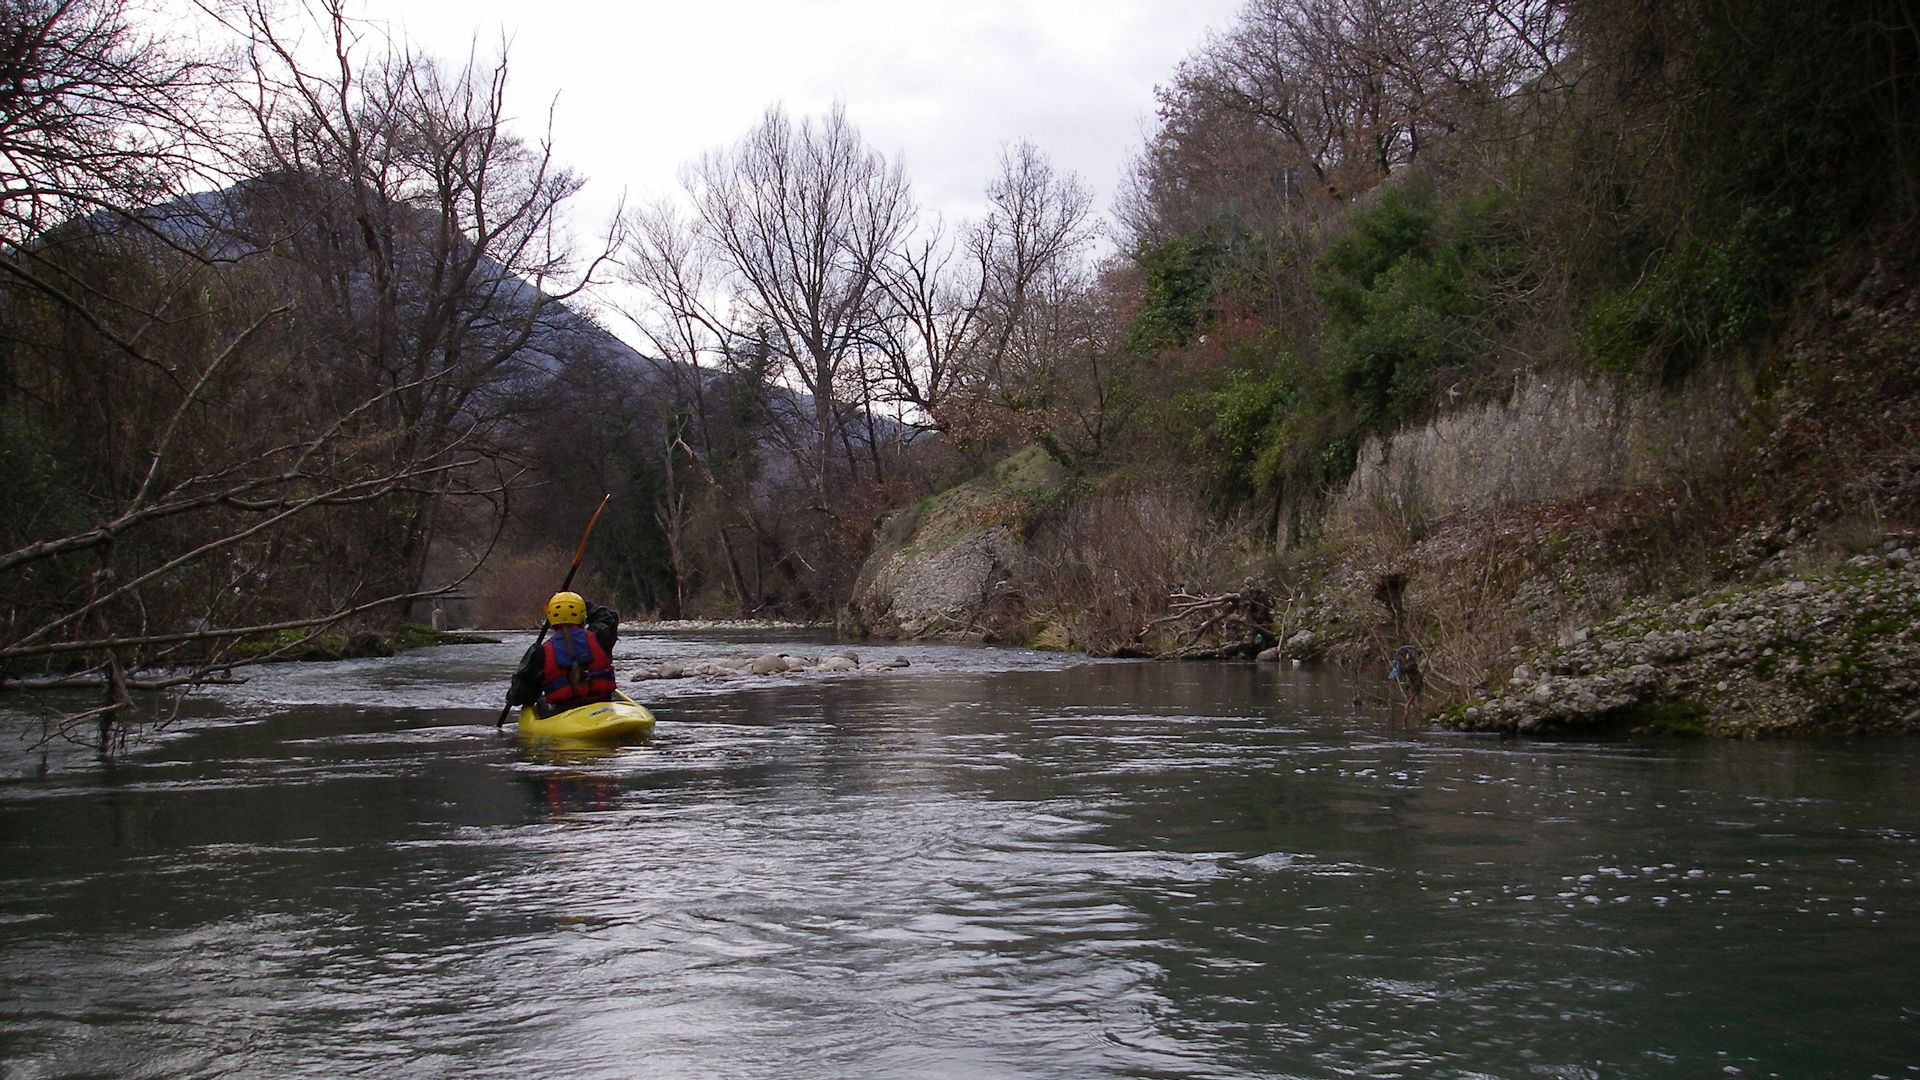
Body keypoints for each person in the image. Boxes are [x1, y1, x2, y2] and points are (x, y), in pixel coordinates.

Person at [506, 592, 620, 716]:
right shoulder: (600, 636)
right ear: (583, 617)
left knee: (539, 701)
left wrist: (511, 697)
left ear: (551, 621)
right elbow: (608, 617)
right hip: (603, 704)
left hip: (563, 712)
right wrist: (580, 604)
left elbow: (520, 695)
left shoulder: (540, 653)